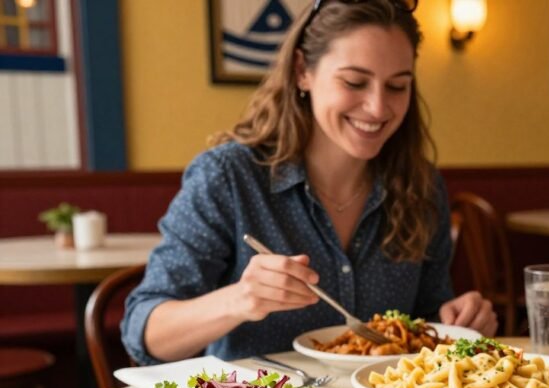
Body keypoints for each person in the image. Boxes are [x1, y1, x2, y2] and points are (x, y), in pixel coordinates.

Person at [123, 0, 497, 365]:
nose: (379, 107)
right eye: (355, 81)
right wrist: (239, 300)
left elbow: (428, 319)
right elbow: (144, 333)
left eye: (397, 86)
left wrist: (459, 318)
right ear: (303, 70)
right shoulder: (228, 177)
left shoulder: (422, 186)